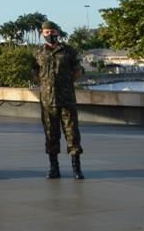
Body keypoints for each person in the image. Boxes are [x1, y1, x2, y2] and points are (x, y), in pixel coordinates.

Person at [32, 20, 85, 179]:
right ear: (43, 34)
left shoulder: (68, 51)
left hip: (67, 100)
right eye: (47, 32)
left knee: (72, 134)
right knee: (51, 135)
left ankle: (76, 168)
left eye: (53, 32)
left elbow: (78, 70)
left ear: (58, 33)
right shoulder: (38, 53)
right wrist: (45, 83)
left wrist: (66, 83)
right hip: (48, 102)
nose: (50, 35)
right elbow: (34, 72)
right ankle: (54, 168)